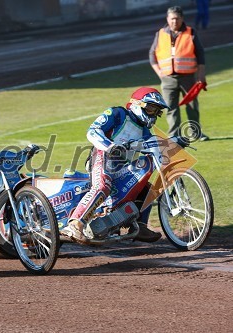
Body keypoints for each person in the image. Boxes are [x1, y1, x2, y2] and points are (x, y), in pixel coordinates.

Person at [60, 87, 168, 244]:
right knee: (103, 185)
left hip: (123, 166)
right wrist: (110, 146)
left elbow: (154, 148)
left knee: (148, 188)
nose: (153, 114)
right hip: (102, 156)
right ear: (137, 104)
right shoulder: (118, 113)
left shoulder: (145, 131)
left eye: (157, 111)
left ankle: (140, 226)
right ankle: (75, 224)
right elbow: (93, 131)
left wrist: (177, 140)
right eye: (151, 108)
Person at [149, 6, 209, 141]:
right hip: (167, 78)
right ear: (167, 19)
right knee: (170, 107)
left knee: (192, 106)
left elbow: (200, 53)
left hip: (187, 77)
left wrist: (201, 73)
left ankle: (196, 133)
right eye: (172, 19)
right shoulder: (160, 34)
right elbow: (152, 54)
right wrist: (159, 73)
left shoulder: (190, 32)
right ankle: (174, 135)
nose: (174, 22)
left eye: (177, 18)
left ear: (182, 19)